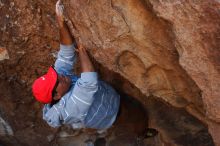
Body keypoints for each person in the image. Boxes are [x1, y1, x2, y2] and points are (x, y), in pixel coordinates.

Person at [32, 0, 120, 130]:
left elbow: (66, 52)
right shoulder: (69, 108)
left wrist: (61, 23)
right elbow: (89, 83)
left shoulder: (60, 80)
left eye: (55, 75)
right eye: (58, 81)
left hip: (108, 95)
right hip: (109, 113)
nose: (60, 76)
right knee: (135, 118)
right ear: (56, 96)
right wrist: (81, 49)